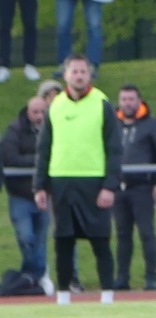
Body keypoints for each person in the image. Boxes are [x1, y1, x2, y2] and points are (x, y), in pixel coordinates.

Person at [33, 56, 120, 304]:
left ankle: (107, 295)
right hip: (61, 181)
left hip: (93, 180)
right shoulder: (55, 106)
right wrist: (40, 186)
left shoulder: (102, 104)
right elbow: (44, 148)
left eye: (83, 71)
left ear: (89, 75)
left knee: (100, 240)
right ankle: (63, 296)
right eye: (74, 71)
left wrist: (110, 185)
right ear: (66, 75)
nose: (79, 76)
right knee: (63, 240)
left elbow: (114, 148)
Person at [112, 83, 156, 291]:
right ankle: (122, 278)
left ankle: (151, 278)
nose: (128, 103)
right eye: (124, 99)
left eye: (131, 99)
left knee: (146, 233)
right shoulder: (113, 124)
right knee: (122, 235)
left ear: (139, 101)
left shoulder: (152, 124)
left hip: (142, 187)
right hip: (119, 188)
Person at [2, 93, 49, 291]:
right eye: (35, 112)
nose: (39, 116)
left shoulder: (53, 129)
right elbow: (11, 158)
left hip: (45, 194)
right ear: (27, 112)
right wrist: (39, 160)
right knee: (26, 237)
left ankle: (32, 277)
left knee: (40, 240)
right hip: (20, 195)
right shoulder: (14, 130)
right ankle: (31, 276)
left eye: (42, 112)